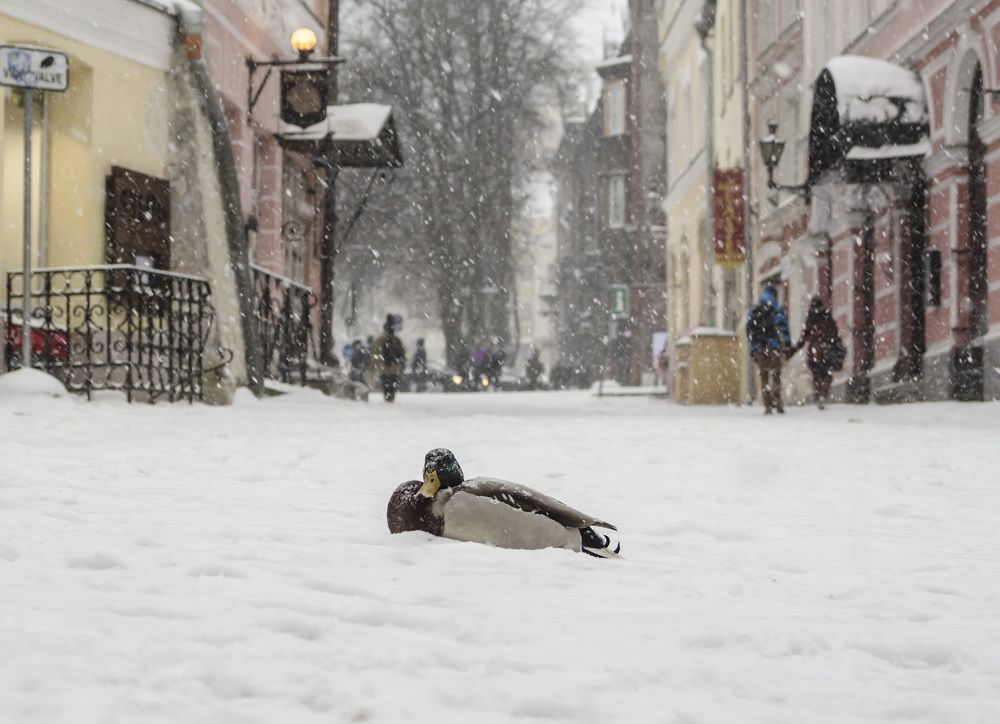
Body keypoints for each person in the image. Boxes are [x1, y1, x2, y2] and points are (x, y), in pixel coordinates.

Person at [788, 296, 843, 409]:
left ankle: (819, 395)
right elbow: (834, 334)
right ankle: (823, 395)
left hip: (813, 354)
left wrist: (791, 351)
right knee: (827, 376)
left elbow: (802, 340)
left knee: (816, 376)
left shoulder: (810, 319)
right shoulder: (827, 317)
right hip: (826, 351)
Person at [746, 285, 791, 415]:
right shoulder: (777, 309)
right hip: (774, 347)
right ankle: (778, 401)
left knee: (764, 376)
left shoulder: (754, 310)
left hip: (760, 348)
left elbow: (749, 330)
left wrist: (753, 348)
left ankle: (767, 405)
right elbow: (783, 328)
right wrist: (786, 344)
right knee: (776, 375)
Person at [372, 314, 407, 402]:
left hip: (384, 367)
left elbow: (376, 352)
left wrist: (378, 363)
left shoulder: (381, 339)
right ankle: (390, 397)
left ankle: (388, 397)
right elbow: (403, 352)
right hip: (394, 367)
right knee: (392, 383)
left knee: (386, 384)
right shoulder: (396, 339)